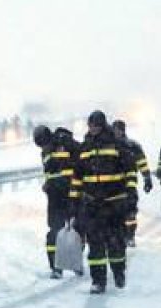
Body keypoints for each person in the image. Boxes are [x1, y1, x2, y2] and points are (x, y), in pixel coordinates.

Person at [70, 110, 138, 294]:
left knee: (115, 242)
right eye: (90, 126)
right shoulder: (84, 149)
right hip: (92, 205)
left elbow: (130, 171)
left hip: (114, 203)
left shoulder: (117, 145)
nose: (92, 129)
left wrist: (131, 194)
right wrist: (74, 201)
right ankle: (98, 280)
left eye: (95, 126)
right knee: (95, 245)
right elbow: (77, 178)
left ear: (102, 125)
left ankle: (118, 272)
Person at [34, 125, 79, 278]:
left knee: (75, 229)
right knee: (54, 230)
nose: (43, 147)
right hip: (54, 196)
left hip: (71, 193)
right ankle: (55, 267)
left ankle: (75, 263)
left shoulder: (65, 142)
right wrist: (48, 184)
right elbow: (50, 172)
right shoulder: (44, 152)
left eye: (44, 144)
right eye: (40, 146)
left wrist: (76, 185)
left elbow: (79, 163)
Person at [112, 119, 153, 247]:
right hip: (112, 185)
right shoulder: (108, 145)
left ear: (123, 130)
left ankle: (130, 236)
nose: (116, 132)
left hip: (129, 184)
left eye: (119, 129)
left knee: (130, 212)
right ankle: (118, 236)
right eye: (115, 129)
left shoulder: (133, 146)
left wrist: (147, 178)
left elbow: (142, 163)